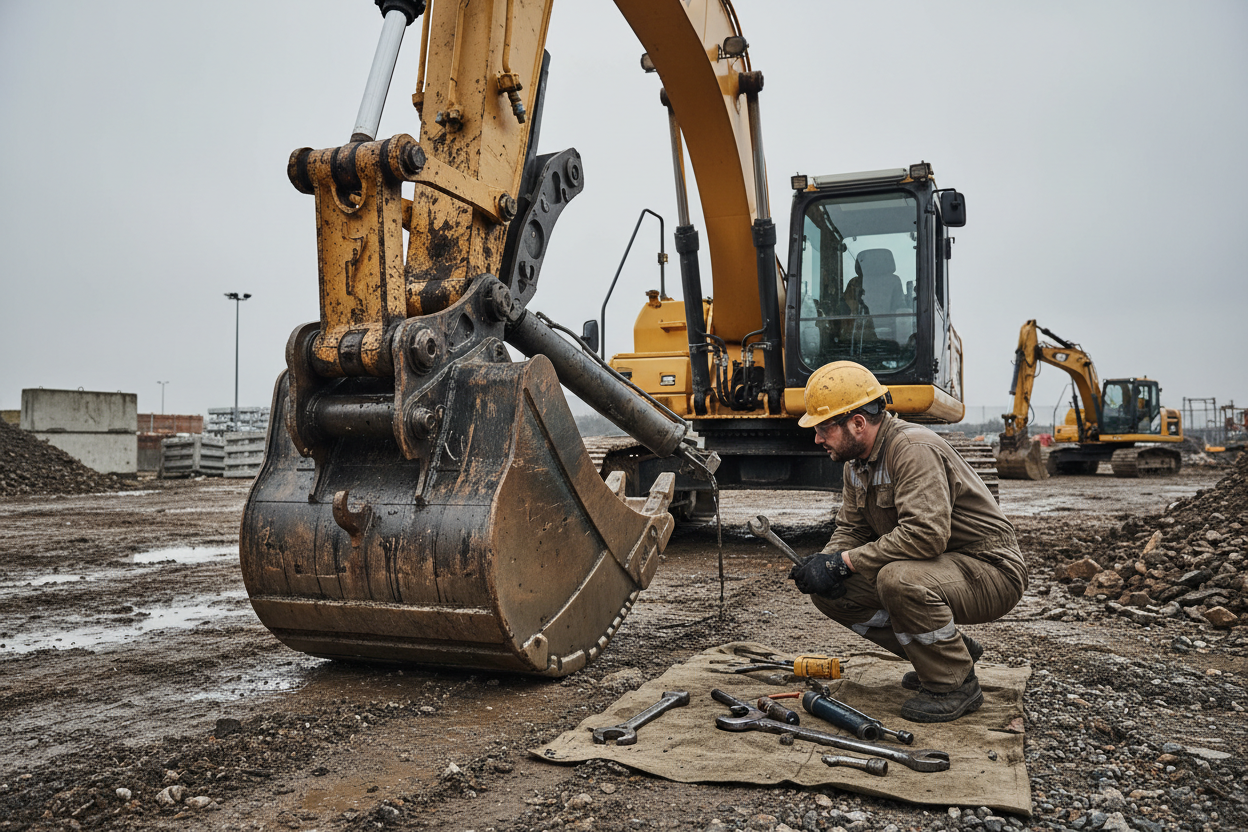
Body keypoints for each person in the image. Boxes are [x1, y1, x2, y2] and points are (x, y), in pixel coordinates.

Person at [789, 360, 1028, 723]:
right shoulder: (856, 463)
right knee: (833, 592)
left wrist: (843, 562)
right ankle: (947, 655)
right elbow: (852, 528)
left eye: (824, 428)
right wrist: (825, 563)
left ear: (857, 423)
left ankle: (955, 685)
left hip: (991, 570)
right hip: (941, 568)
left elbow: (925, 536)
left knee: (898, 580)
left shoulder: (912, 448)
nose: (818, 439)